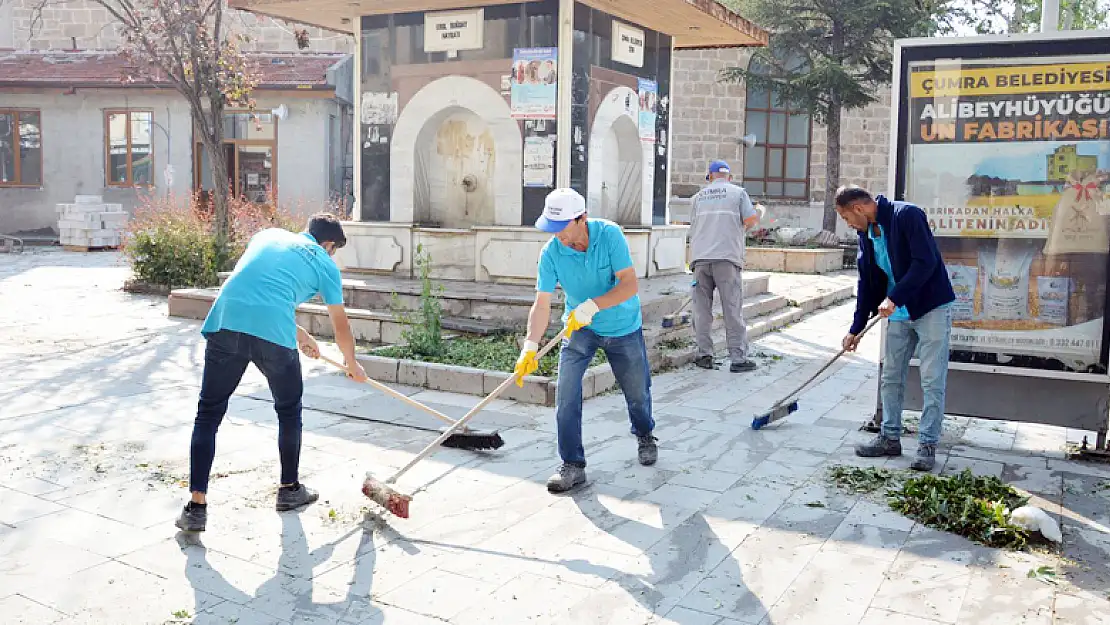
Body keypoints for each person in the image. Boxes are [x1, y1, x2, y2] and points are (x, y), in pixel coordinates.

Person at [175, 214, 369, 532]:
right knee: (289, 410)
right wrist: (352, 363)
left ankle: (196, 507)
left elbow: (257, 289)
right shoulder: (325, 263)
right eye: (333, 249)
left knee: (208, 413)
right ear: (329, 244)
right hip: (272, 335)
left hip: (225, 321)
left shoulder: (267, 236)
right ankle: (289, 489)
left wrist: (299, 334)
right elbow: (340, 323)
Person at [514, 188, 657, 493]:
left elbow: (629, 284)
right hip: (578, 328)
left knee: (637, 393)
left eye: (561, 227)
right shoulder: (551, 252)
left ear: (582, 218)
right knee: (565, 395)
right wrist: (530, 346)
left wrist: (592, 305)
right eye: (551, 229)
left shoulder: (609, 236)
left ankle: (644, 433)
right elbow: (541, 303)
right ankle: (572, 465)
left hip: (622, 327)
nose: (557, 235)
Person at [836, 185, 955, 472]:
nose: (848, 224)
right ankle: (890, 437)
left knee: (931, 379)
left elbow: (925, 262)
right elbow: (867, 283)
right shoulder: (866, 233)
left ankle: (927, 444)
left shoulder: (908, 215)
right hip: (898, 312)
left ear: (858, 208)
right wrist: (856, 327)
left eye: (846, 218)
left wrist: (895, 297)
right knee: (891, 376)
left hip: (931, 307)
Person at [688, 160, 762, 372]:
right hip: (727, 259)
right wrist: (757, 214)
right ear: (728, 177)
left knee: (702, 310)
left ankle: (704, 355)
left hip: (700, 259)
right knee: (732, 309)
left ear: (709, 176)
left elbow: (694, 226)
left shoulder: (697, 198)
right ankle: (738, 359)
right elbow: (750, 220)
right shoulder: (738, 193)